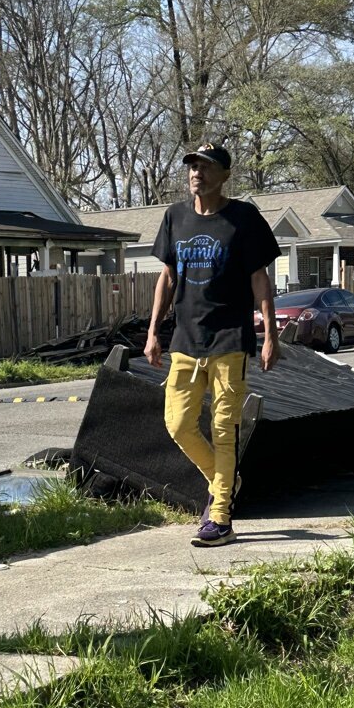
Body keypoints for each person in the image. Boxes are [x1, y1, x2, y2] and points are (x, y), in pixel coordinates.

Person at [144, 142, 280, 548]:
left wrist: (270, 335)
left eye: (206, 167)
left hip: (229, 339)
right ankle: (225, 480)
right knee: (179, 424)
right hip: (185, 341)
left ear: (224, 175)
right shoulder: (175, 217)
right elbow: (167, 278)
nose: (196, 173)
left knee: (224, 430)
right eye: (192, 166)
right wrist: (153, 332)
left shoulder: (243, 218)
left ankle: (220, 515)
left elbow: (260, 280)